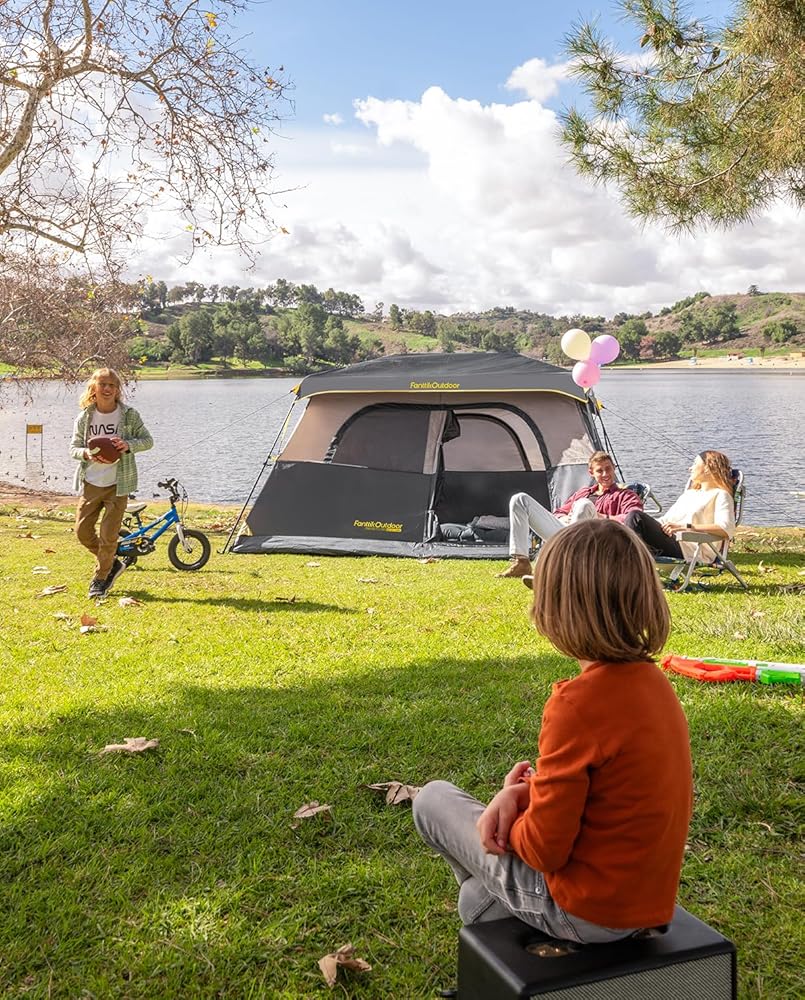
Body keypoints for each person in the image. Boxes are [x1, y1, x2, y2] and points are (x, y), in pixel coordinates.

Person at [413, 519, 693, 944]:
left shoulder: (576, 705)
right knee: (475, 901)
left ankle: (515, 907)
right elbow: (610, 793)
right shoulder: (655, 686)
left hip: (586, 909)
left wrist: (506, 822)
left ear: (556, 610)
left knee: (433, 799)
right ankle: (499, 906)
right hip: (645, 905)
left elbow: (544, 849)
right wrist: (521, 794)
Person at [69, 368, 153, 598]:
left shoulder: (129, 415)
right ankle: (113, 563)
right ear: (93, 388)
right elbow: (73, 448)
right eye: (103, 384)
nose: (107, 389)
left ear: (117, 390)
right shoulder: (84, 417)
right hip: (91, 483)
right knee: (82, 532)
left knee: (108, 535)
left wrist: (128, 445)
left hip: (119, 483)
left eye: (112, 385)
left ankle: (100, 578)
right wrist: (86, 453)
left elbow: (148, 441)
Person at [497, 451, 643, 578]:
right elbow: (559, 512)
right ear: (591, 472)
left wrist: (601, 517)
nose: (605, 474)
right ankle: (521, 562)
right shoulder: (583, 492)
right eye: (600, 471)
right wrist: (565, 518)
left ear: (614, 468)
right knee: (519, 499)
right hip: (567, 532)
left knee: (584, 505)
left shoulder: (625, 495)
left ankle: (564, 570)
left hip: (595, 541)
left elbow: (634, 519)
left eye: (608, 469)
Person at [623, 451, 735, 561]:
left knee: (635, 516)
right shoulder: (690, 494)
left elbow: (725, 528)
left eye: (695, 464)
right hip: (672, 539)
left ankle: (631, 564)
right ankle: (629, 562)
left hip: (690, 548)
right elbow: (666, 520)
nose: (690, 468)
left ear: (708, 468)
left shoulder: (721, 495)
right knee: (621, 527)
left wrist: (685, 527)